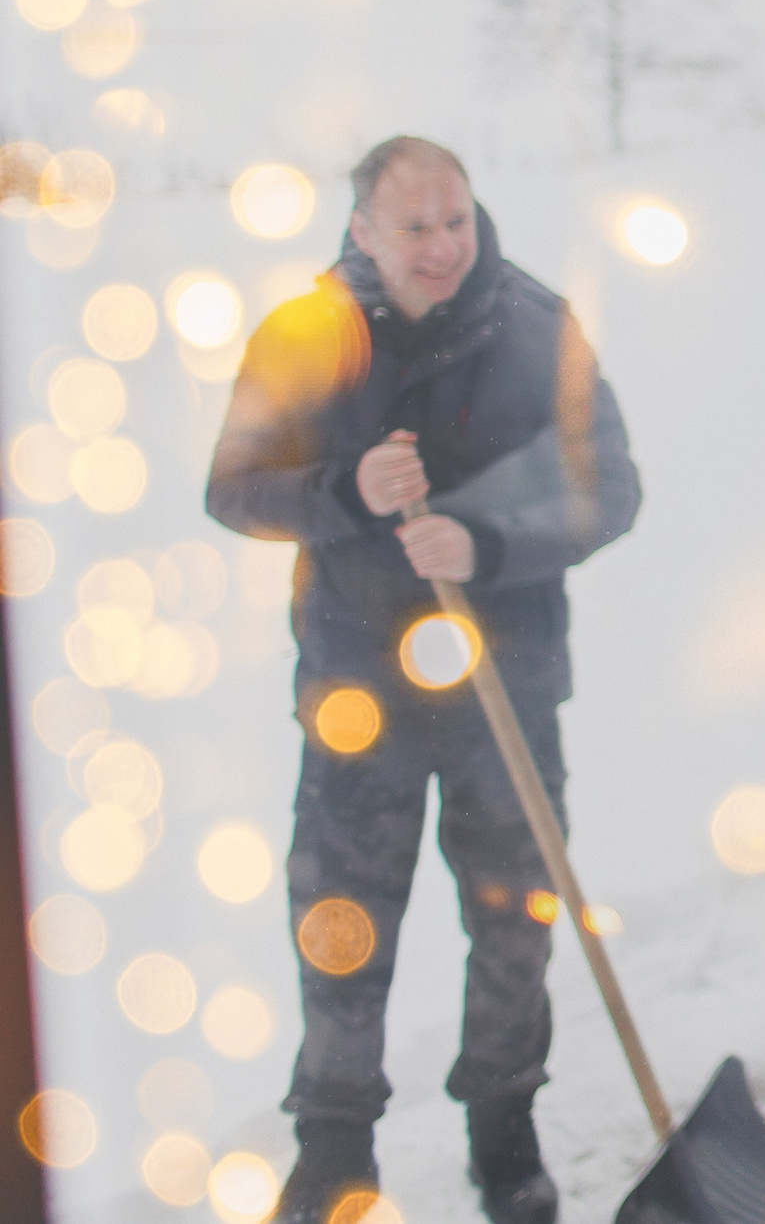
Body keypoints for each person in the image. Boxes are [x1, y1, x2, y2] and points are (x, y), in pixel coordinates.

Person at [207, 137, 642, 1224]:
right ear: (361, 229)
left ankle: (505, 1131)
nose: (444, 246)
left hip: (509, 685)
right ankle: (336, 1148)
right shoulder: (306, 339)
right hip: (361, 695)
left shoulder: (537, 327)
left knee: (513, 921)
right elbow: (232, 490)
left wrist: (486, 543)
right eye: (415, 227)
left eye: (456, 220)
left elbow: (613, 488)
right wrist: (346, 489)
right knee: (344, 920)